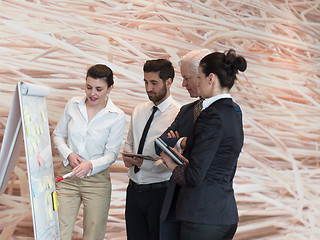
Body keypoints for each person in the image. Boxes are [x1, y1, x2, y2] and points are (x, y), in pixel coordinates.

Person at [161, 49, 246, 240]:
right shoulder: (233, 113)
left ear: (211, 79)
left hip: (202, 216)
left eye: (198, 77)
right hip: (225, 214)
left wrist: (172, 162)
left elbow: (193, 176)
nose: (196, 83)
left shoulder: (211, 115)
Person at [53, 64, 125, 240]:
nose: (92, 93)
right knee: (58, 231)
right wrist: (69, 154)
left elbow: (111, 155)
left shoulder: (116, 115)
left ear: (110, 88)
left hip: (97, 182)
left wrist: (90, 165)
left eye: (99, 89)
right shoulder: (72, 105)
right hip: (68, 177)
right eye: (89, 87)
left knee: (94, 234)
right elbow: (58, 135)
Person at [122, 59, 180, 240]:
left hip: (160, 193)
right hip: (133, 191)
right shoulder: (139, 110)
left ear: (168, 82)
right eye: (146, 82)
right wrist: (127, 156)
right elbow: (130, 141)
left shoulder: (179, 114)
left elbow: (176, 159)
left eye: (154, 83)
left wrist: (143, 164)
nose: (148, 88)